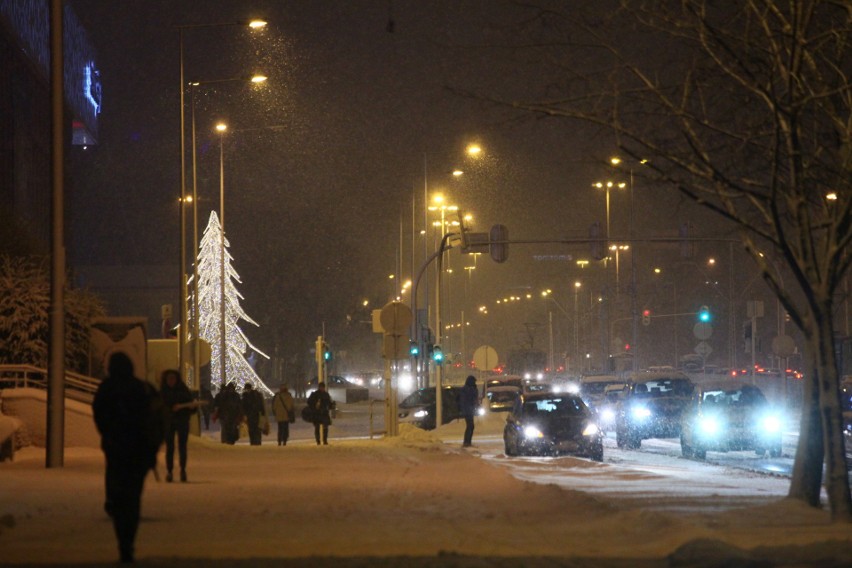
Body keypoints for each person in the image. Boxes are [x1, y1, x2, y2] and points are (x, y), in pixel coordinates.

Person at [92, 352, 163, 564]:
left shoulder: (106, 389)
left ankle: (122, 535)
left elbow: (99, 415)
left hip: (116, 450)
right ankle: (128, 539)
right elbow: (157, 419)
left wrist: (110, 435)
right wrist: (151, 447)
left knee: (118, 492)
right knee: (133, 496)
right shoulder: (143, 388)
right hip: (139, 451)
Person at [159, 369, 197, 483]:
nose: (171, 381)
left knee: (182, 447)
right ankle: (169, 471)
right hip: (169, 423)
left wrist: (191, 407)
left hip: (182, 422)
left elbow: (191, 405)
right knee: (170, 448)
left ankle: (182, 470)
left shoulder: (183, 391)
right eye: (169, 379)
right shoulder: (163, 392)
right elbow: (158, 407)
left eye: (173, 378)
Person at [459, 375, 479, 448]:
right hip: (468, 410)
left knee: (470, 426)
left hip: (469, 410)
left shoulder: (469, 389)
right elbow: (467, 400)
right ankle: (467, 442)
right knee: (470, 426)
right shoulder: (467, 390)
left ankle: (468, 441)